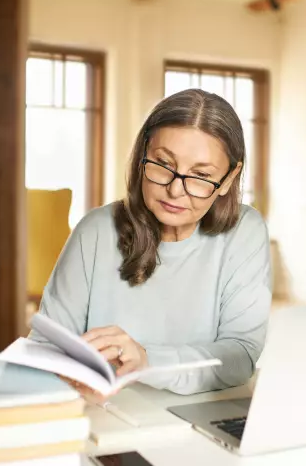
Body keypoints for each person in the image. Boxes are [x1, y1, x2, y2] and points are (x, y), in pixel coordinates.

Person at [29, 88, 272, 396]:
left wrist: (146, 360)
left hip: (196, 416)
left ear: (228, 179)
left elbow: (240, 356)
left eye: (200, 175)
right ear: (143, 154)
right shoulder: (95, 230)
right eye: (163, 164)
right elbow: (44, 346)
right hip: (105, 415)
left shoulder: (244, 232)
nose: (175, 190)